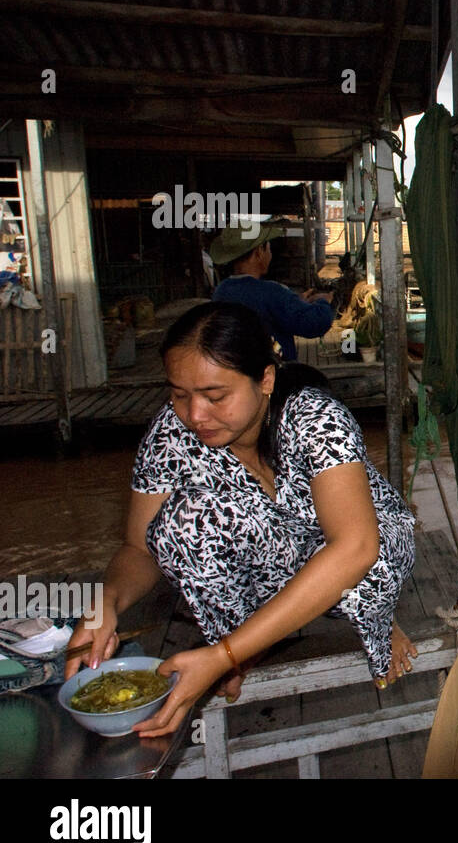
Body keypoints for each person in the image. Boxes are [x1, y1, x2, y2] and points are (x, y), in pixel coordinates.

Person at [64, 302, 419, 738]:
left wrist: (222, 656)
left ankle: (378, 619)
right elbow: (139, 546)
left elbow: (355, 547)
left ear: (265, 379)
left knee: (368, 569)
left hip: (367, 545)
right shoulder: (171, 435)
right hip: (279, 552)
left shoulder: (316, 418)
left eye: (215, 397)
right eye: (178, 395)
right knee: (180, 525)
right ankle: (242, 643)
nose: (194, 415)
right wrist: (108, 603)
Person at [209, 221, 334, 362]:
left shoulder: (222, 290)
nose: (270, 253)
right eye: (268, 248)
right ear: (259, 252)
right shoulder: (270, 292)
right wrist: (324, 301)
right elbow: (314, 323)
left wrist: (296, 301)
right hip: (272, 375)